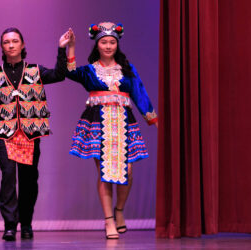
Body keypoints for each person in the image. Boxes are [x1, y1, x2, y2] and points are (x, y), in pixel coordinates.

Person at [0, 27, 72, 241]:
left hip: (29, 134)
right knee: (8, 178)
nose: (11, 45)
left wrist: (61, 49)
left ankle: (26, 223)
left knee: (28, 181)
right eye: (6, 42)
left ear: (22, 45)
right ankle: (10, 225)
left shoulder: (35, 71)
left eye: (15, 41)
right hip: (4, 135)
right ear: (2, 47)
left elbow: (60, 75)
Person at [66, 23, 158, 239]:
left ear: (117, 44)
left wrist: (154, 119)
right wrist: (71, 47)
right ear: (97, 45)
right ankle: (108, 221)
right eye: (104, 42)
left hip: (124, 121)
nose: (108, 46)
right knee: (105, 173)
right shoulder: (89, 71)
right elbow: (69, 72)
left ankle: (119, 211)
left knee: (128, 170)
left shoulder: (126, 69)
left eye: (112, 42)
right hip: (98, 123)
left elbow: (139, 93)